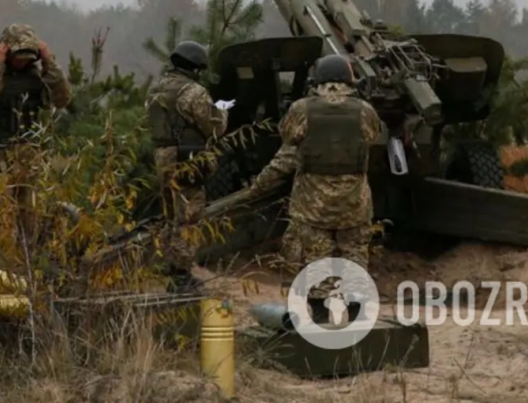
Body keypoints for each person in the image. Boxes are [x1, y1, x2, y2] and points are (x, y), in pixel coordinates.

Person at [245, 53, 383, 324]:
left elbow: (287, 136)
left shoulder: (302, 109)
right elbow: (373, 136)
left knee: (317, 261)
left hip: (312, 205)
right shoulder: (364, 110)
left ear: (316, 80)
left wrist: (256, 187)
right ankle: (358, 322)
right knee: (355, 257)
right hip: (354, 205)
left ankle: (320, 318)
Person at [0, 23, 70, 223]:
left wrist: (49, 62)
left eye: (27, 58)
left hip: (26, 155)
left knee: (28, 216)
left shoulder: (37, 77)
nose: (22, 62)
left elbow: (62, 99)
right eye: (18, 57)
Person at [144, 41, 232, 277]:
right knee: (189, 215)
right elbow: (215, 127)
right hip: (186, 157)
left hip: (162, 155)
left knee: (170, 214)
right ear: (195, 68)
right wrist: (222, 112)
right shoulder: (192, 92)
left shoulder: (156, 89)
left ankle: (167, 265)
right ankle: (181, 274)